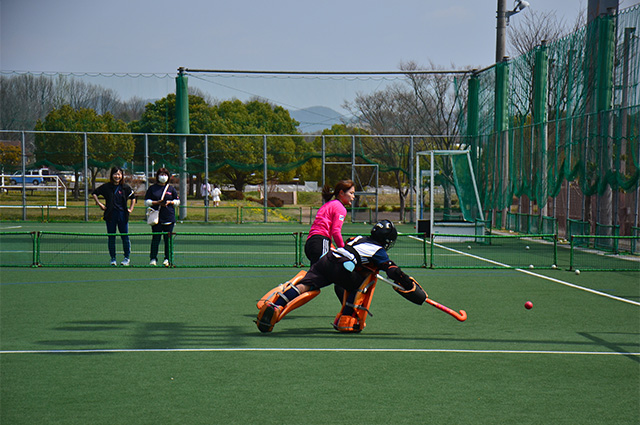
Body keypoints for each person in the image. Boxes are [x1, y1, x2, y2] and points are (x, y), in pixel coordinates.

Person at [256, 220, 428, 333]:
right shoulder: (379, 251)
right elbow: (391, 270)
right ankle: (346, 319)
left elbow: (348, 243)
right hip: (342, 268)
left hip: (328, 259)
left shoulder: (359, 238)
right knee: (359, 283)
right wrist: (405, 281)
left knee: (304, 285)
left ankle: (275, 305)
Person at [305, 180, 355, 300]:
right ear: (342, 193)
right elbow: (335, 232)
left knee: (313, 281)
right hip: (321, 242)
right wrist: (344, 250)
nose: (353, 197)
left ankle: (285, 295)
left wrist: (332, 247)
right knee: (338, 277)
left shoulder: (329, 204)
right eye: (351, 193)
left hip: (312, 243)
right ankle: (349, 311)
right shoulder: (340, 208)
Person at [92, 166, 137, 266]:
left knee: (124, 237)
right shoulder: (107, 187)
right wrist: (99, 204)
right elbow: (94, 193)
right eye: (115, 174)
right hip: (110, 215)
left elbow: (133, 198)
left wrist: (131, 209)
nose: (117, 176)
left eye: (119, 174)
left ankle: (126, 258)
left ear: (122, 176)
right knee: (111, 237)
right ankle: (113, 259)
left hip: (122, 215)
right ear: (112, 175)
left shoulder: (125, 187)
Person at [144, 168, 180, 266]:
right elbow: (146, 202)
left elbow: (177, 201)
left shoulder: (171, 189)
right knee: (156, 238)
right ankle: (153, 258)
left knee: (168, 239)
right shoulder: (152, 188)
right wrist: (156, 202)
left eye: (165, 174)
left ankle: (167, 259)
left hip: (169, 217)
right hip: (156, 217)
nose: (163, 176)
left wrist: (171, 202)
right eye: (161, 174)